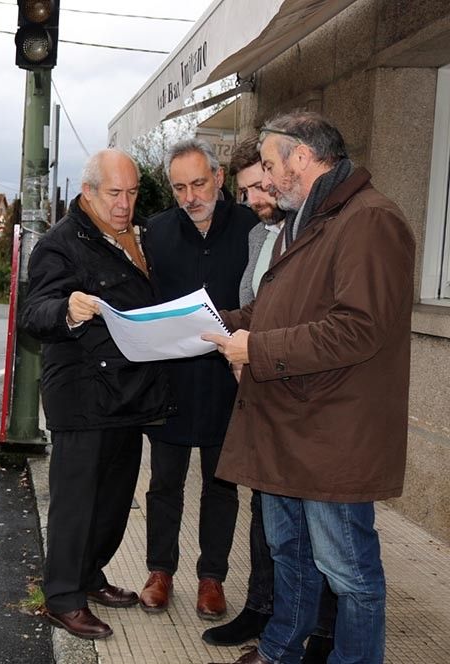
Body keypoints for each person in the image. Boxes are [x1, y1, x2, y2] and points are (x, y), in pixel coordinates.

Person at [204, 111, 415, 664]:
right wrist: (210, 323)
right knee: (290, 553)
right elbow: (274, 312)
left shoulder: (369, 220)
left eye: (270, 166)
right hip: (288, 425)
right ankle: (280, 651)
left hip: (331, 435)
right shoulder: (310, 219)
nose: (267, 181)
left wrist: (258, 350)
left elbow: (358, 328)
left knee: (348, 572)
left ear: (302, 156)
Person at [18, 148, 175, 640]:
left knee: (112, 501)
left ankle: (90, 575)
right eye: (114, 194)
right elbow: (33, 312)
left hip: (131, 393)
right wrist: (67, 306)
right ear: (88, 192)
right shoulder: (61, 245)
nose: (125, 204)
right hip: (83, 395)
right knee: (75, 503)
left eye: (131, 193)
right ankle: (62, 597)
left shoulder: (139, 237)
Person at [202, 138, 337, 663]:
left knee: (327, 541)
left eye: (263, 184)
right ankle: (267, 613)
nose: (258, 196)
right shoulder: (263, 235)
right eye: (247, 191)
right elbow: (252, 306)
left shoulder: (319, 233)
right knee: (273, 525)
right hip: (263, 399)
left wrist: (253, 347)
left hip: (306, 405)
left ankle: (322, 634)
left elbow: (333, 327)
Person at [138, 139, 256, 621]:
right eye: (180, 187)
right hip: (170, 380)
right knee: (164, 481)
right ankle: (160, 572)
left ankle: (213, 578)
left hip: (228, 381)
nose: (190, 197)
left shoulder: (251, 229)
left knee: (220, 485)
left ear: (220, 178)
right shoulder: (157, 233)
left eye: (199, 184)